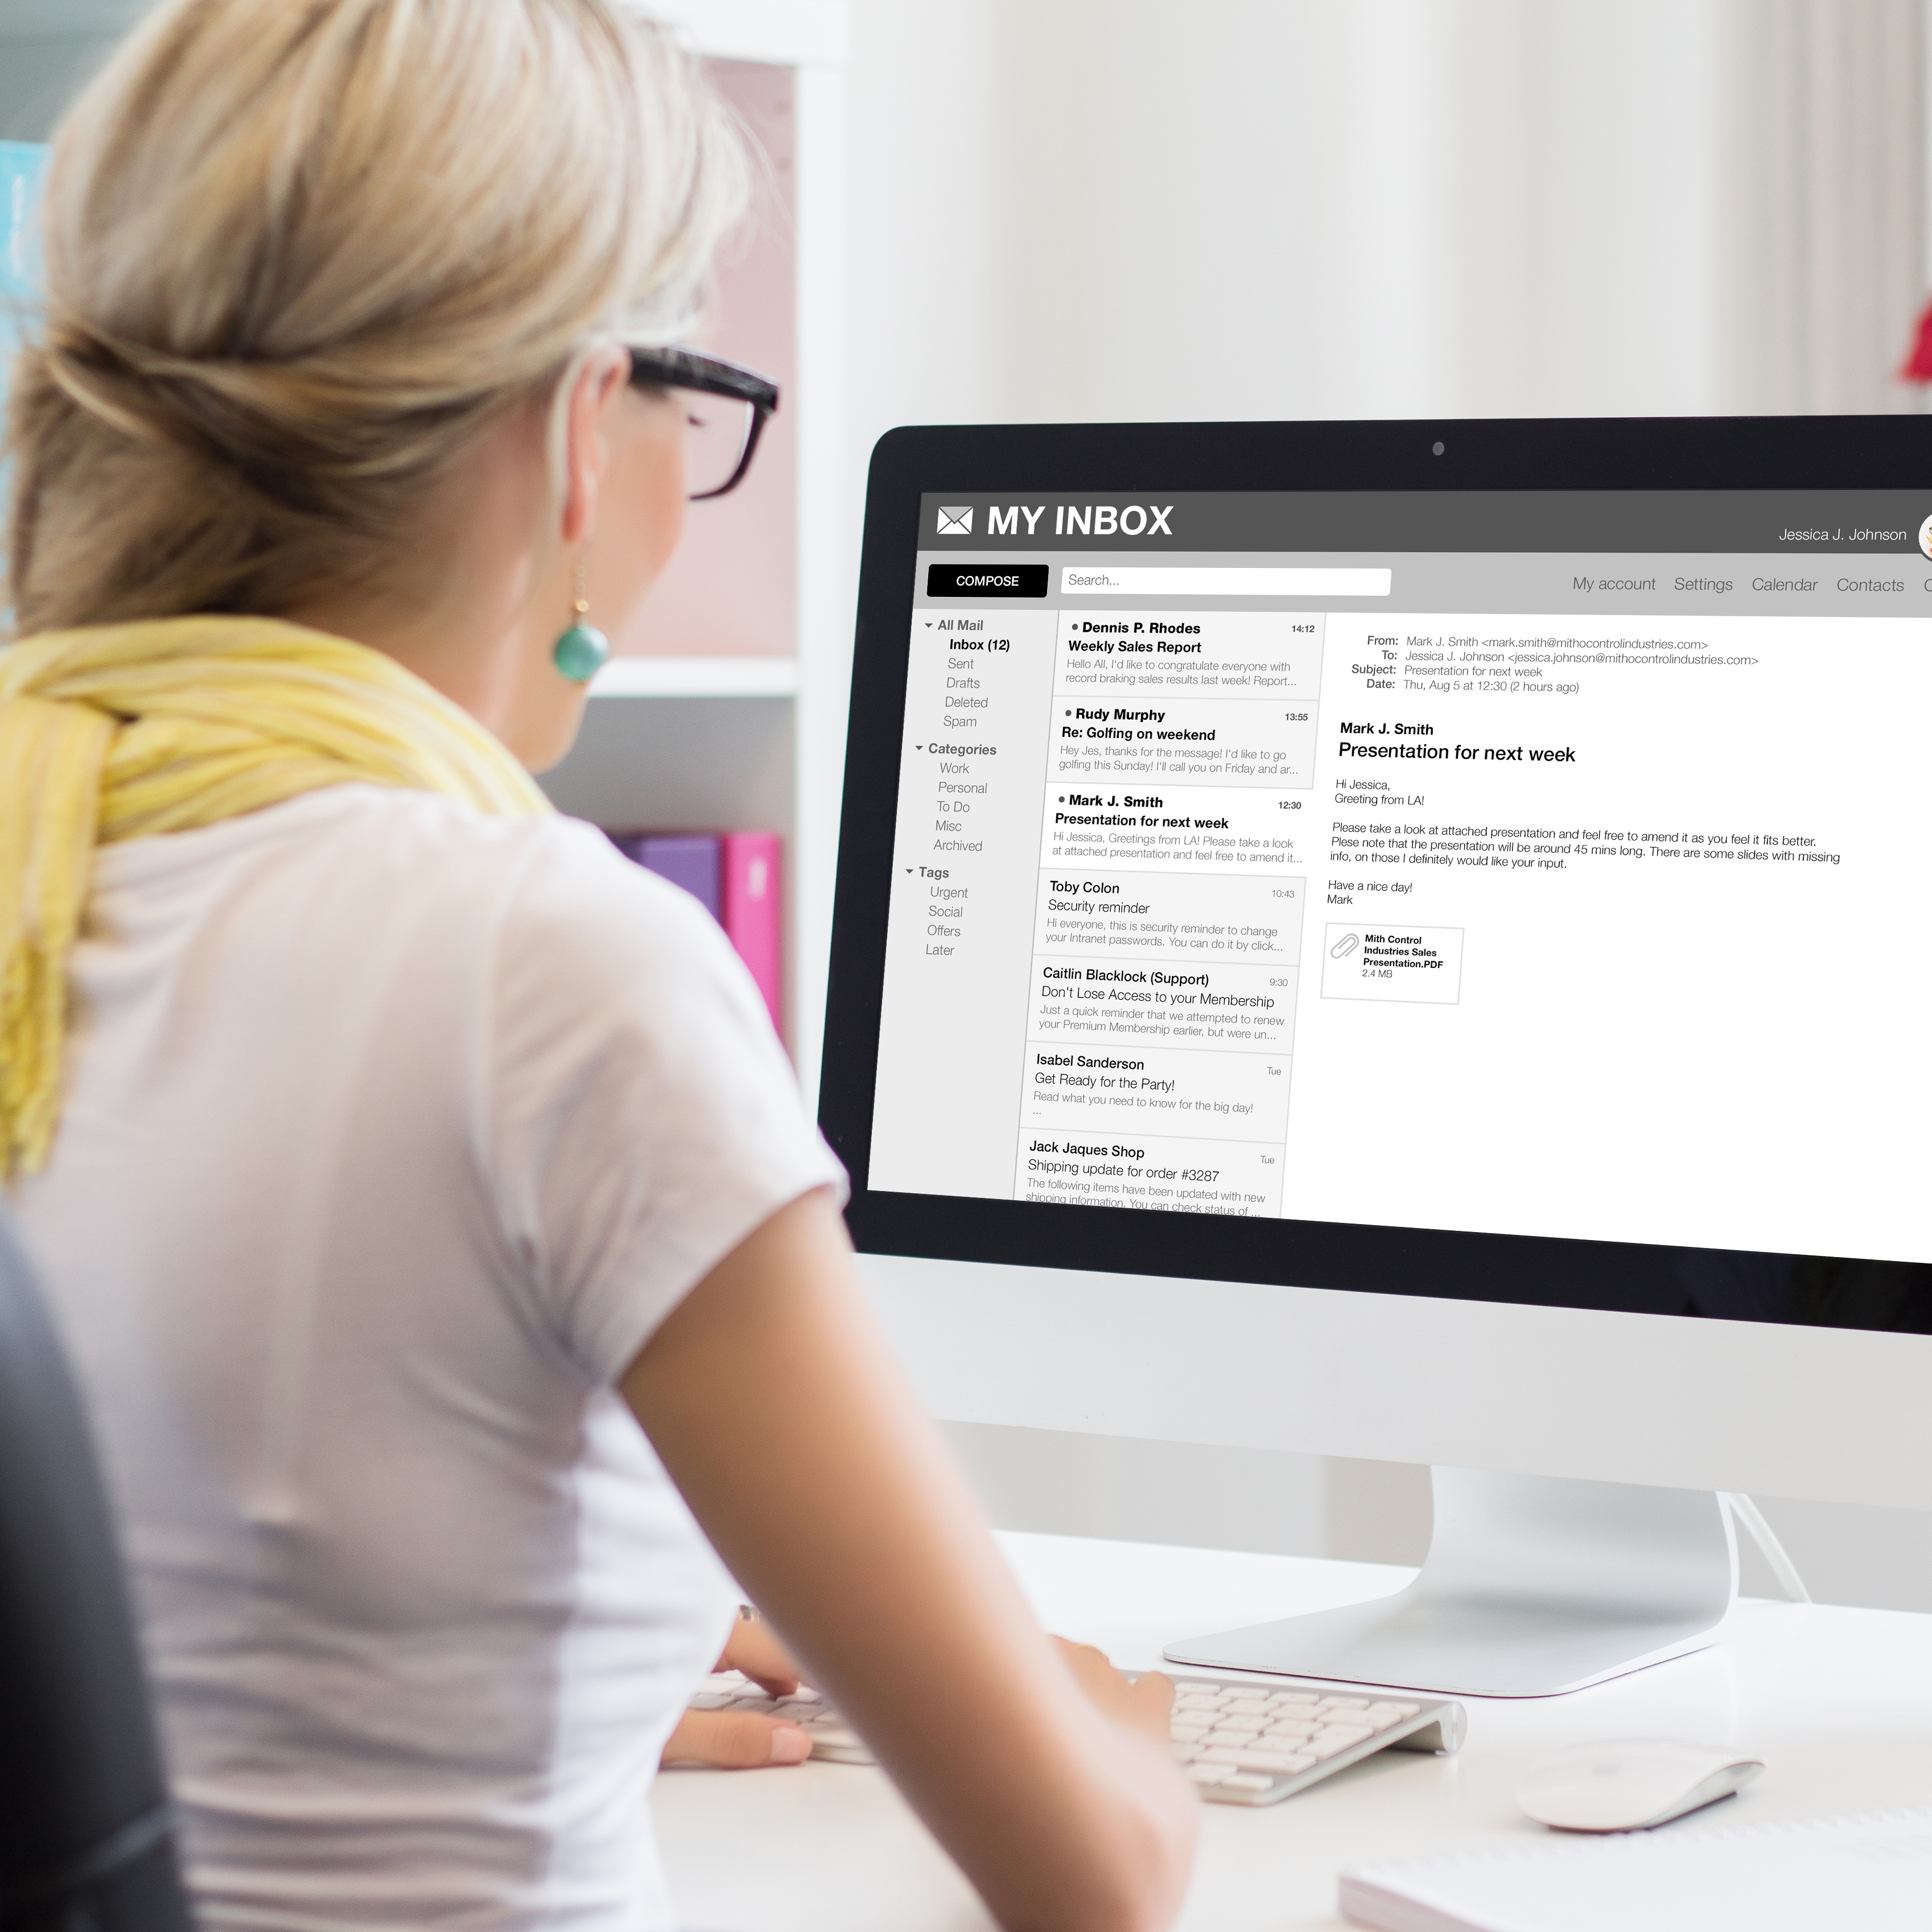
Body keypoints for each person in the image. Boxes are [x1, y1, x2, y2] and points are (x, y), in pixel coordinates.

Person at [0, 3, 1197, 1930]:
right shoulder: (541, 965)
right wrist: (1131, 1736)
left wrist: (550, 1668)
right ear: (578, 422)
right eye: (695, 394)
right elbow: (1098, 1877)